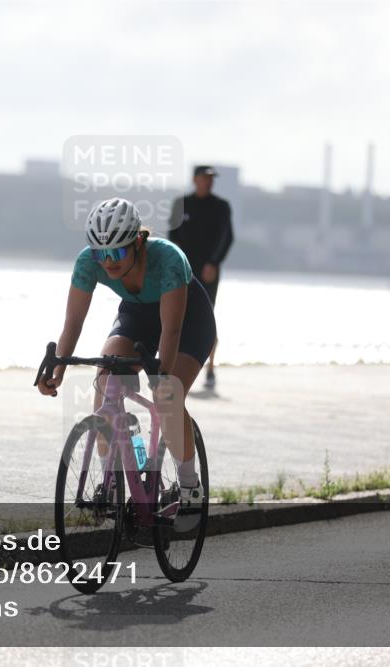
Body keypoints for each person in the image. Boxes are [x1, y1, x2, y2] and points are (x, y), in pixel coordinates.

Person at [36, 197, 216, 509]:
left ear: (138, 242)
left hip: (188, 323)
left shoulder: (168, 259)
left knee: (168, 397)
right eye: (100, 253)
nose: (108, 261)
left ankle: (190, 487)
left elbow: (170, 331)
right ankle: (112, 482)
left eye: (117, 251)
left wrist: (162, 381)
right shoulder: (88, 262)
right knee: (106, 376)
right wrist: (58, 370)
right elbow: (74, 321)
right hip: (137, 316)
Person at [168, 165, 234, 389]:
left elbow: (227, 238)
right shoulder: (181, 204)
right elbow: (172, 237)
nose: (209, 181)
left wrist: (213, 263)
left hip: (208, 271)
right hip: (183, 270)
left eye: (211, 178)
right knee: (178, 316)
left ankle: (211, 368)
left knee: (207, 317)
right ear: (195, 179)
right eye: (205, 177)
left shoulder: (221, 207)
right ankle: (173, 365)